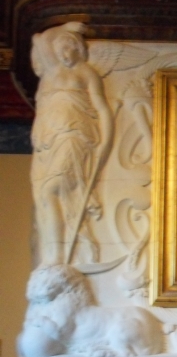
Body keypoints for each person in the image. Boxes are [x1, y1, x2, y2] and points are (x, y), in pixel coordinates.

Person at [30, 22, 114, 265]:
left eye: (70, 48)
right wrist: (66, 27)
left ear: (79, 49)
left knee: (50, 191)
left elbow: (103, 110)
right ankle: (54, 253)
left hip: (75, 136)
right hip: (47, 141)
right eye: (61, 50)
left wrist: (106, 142)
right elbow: (39, 39)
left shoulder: (86, 73)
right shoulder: (51, 72)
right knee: (43, 197)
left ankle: (57, 257)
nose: (66, 54)